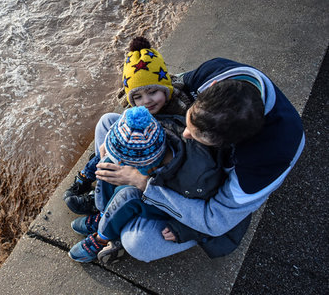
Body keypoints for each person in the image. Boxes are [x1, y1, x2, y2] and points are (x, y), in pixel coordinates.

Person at [90, 57, 304, 263]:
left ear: (226, 145)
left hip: (204, 193)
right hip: (181, 158)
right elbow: (166, 90)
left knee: (137, 242)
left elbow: (215, 219)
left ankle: (118, 216)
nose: (186, 134)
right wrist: (120, 134)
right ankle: (112, 209)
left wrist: (144, 184)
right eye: (190, 120)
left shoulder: (264, 161)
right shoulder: (214, 72)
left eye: (196, 134)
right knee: (108, 123)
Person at [68, 106, 225, 263]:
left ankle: (102, 237)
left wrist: (183, 231)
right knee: (109, 162)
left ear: (142, 166)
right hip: (155, 173)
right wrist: (110, 150)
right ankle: (103, 215)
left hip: (172, 203)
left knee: (127, 196)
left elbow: (208, 217)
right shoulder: (160, 135)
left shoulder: (196, 179)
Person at [64, 37, 192, 215]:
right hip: (138, 149)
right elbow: (125, 119)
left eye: (153, 92)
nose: (146, 101)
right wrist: (109, 143)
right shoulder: (141, 107)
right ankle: (101, 175)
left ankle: (107, 197)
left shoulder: (180, 110)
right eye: (137, 97)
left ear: (166, 87)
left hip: (153, 164)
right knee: (107, 121)